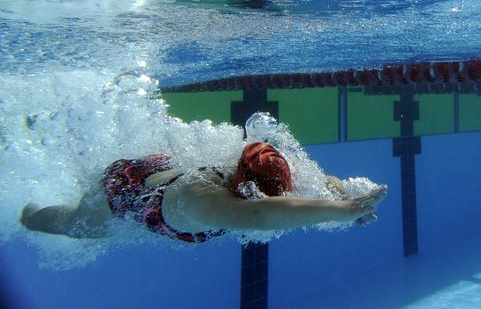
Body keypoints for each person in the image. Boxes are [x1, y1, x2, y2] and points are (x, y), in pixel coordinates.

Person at [20, 141, 388, 242]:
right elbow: (256, 215)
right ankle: (27, 215)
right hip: (124, 187)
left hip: (159, 170)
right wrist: (340, 212)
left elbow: (319, 181)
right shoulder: (201, 198)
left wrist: (344, 197)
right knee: (80, 226)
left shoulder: (256, 167)